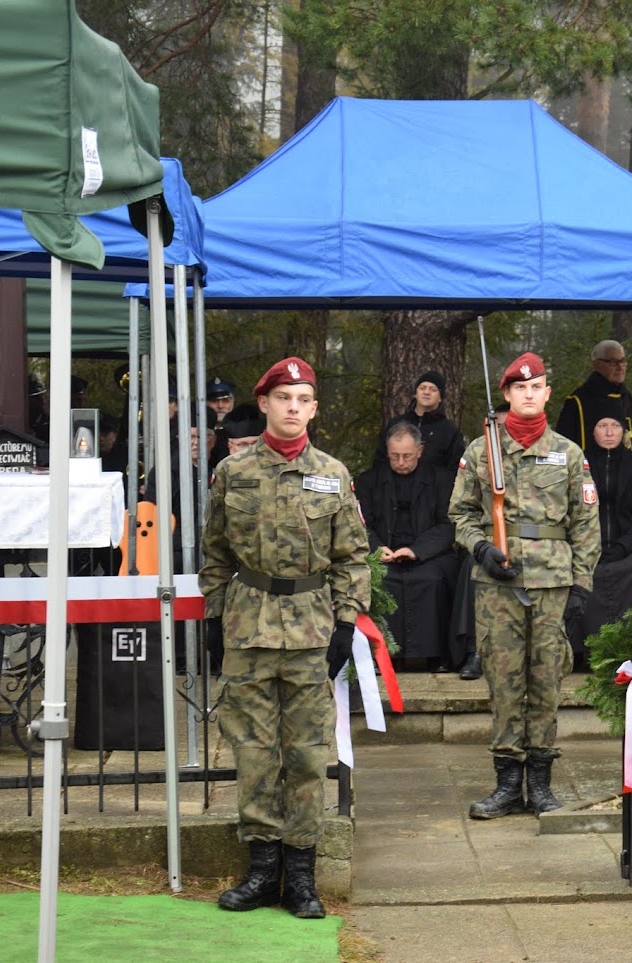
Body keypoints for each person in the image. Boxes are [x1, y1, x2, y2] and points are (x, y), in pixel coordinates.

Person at [199, 356, 370, 920]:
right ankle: (261, 869)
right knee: (253, 753)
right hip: (247, 626)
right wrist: (214, 616)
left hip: (310, 626)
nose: (293, 408)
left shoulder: (334, 474)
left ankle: (301, 874)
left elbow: (351, 556)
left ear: (314, 409)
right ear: (266, 405)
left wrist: (347, 622)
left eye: (303, 400)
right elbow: (216, 553)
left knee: (303, 755)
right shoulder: (233, 473)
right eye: (283, 399)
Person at [449, 352, 600, 819]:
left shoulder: (570, 454)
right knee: (504, 680)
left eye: (537, 387)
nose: (529, 394)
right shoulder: (480, 451)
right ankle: (507, 785)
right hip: (499, 584)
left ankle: (542, 782)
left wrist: (580, 586)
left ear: (547, 393)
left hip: (552, 583)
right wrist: (480, 549)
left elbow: (587, 523)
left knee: (547, 680)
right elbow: (460, 514)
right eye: (520, 388)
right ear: (509, 395)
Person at [356, 421, 460, 673]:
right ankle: (380, 656)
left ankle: (437, 656)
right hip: (385, 553)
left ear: (420, 451)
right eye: (395, 456)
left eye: (407, 456)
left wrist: (417, 551)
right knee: (380, 579)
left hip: (427, 556)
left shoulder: (442, 481)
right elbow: (359, 524)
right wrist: (376, 548)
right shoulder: (368, 481)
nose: (401, 462)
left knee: (433, 580)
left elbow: (449, 524)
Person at [568, 395, 632, 671]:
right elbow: (570, 512)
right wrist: (589, 545)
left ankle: (630, 652)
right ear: (592, 430)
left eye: (614, 426)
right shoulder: (576, 464)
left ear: (624, 431)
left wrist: (622, 546)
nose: (608, 432)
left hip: (627, 549)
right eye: (602, 425)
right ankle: (585, 653)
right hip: (587, 547)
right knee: (577, 571)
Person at [556, 339, 632, 455]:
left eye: (623, 361)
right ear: (596, 364)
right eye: (613, 362)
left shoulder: (629, 400)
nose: (620, 367)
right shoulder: (579, 402)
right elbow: (562, 449)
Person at [374, 371, 465, 476]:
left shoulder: (449, 431)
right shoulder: (395, 424)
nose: (426, 392)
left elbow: (455, 470)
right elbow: (380, 461)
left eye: (433, 389)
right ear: (415, 394)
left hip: (435, 489)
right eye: (422, 388)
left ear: (440, 397)